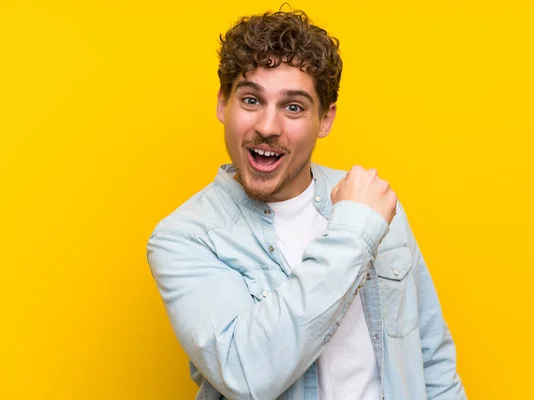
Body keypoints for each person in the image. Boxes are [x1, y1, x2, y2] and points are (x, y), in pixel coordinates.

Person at [146, 8, 467, 400]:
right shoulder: (184, 238)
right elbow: (246, 374)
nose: (268, 126)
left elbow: (431, 362)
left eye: (293, 107)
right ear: (222, 105)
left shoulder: (374, 201)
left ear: (325, 120)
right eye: (250, 100)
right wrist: (355, 234)